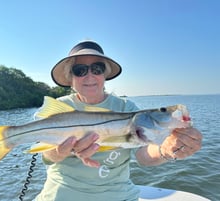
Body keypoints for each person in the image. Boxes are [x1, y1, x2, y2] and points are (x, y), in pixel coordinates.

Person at [33, 40, 202, 201]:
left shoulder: (126, 107)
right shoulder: (58, 108)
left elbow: (143, 155)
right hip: (61, 195)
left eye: (97, 69)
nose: (90, 75)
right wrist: (60, 151)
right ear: (70, 78)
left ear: (105, 75)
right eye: (80, 70)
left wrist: (165, 150)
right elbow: (47, 156)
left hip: (118, 195)